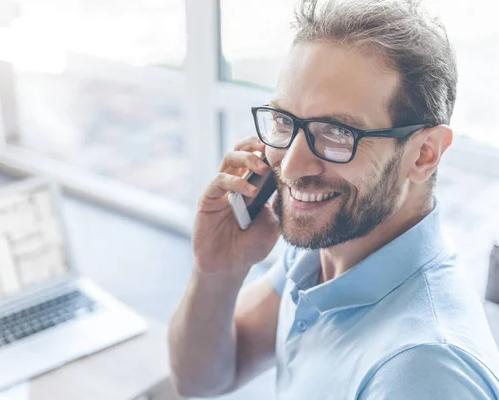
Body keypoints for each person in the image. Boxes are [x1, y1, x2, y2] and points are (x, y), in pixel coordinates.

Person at [168, 0, 499, 398]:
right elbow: (203, 380)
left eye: (338, 132)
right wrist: (217, 270)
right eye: (284, 121)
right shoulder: (330, 249)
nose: (290, 166)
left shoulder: (425, 371)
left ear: (424, 153)